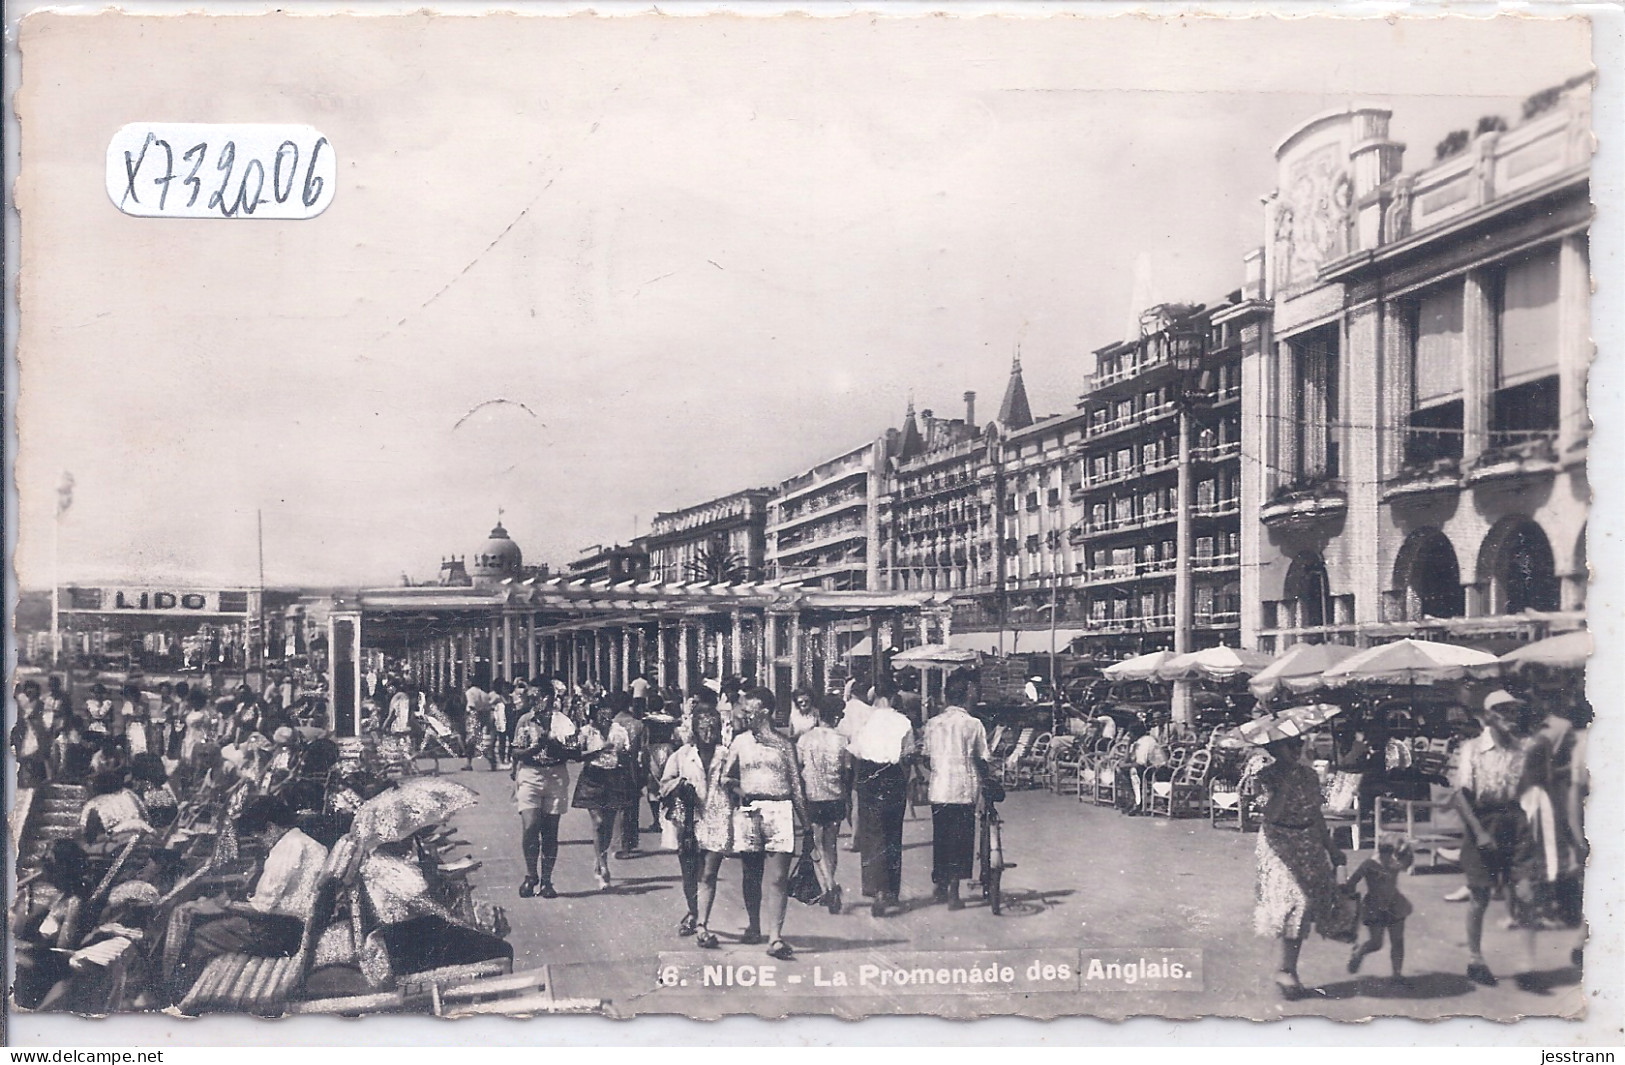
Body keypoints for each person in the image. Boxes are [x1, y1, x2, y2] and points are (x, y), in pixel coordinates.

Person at [171, 795, 329, 1000]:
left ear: (271, 828)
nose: (261, 844)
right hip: (297, 928)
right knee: (214, 919)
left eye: (258, 837)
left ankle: (182, 998)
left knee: (199, 934)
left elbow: (262, 908)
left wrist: (226, 904)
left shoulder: (285, 849)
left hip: (278, 934)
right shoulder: (313, 845)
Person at [1449, 689, 1549, 988]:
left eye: (1515, 712)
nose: (1512, 718)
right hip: (1483, 819)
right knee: (1480, 896)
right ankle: (1475, 959)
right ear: (1490, 716)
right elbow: (1459, 796)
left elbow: (1532, 789)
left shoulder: (1522, 749)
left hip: (1514, 821)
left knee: (1527, 892)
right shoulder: (1471, 749)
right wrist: (1479, 832)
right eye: (1504, 712)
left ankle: (1528, 965)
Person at [718, 687, 811, 960]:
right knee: (751, 873)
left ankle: (775, 937)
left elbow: (796, 787)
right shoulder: (739, 742)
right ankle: (754, 925)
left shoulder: (785, 745)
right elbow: (725, 778)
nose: (744, 715)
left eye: (750, 711)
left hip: (780, 810)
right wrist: (738, 790)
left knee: (779, 877)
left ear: (766, 713)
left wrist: (807, 826)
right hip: (749, 810)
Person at [1252, 733, 1347, 1000]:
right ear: (1274, 748)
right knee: (1297, 901)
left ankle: (1287, 966)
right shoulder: (1263, 776)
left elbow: (1315, 813)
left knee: (1311, 904)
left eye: (1299, 744)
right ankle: (1286, 971)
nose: (1297, 749)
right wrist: (1284, 785)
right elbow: (1270, 813)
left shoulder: (1309, 775)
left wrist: (1331, 848)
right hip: (1278, 843)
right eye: (1289, 745)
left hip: (1307, 840)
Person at [659, 704, 734, 941]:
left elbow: (736, 781)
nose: (709, 733)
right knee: (690, 874)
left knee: (709, 874)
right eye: (704, 728)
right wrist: (680, 784)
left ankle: (702, 925)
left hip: (718, 817)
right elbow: (663, 785)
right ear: (694, 730)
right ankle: (693, 913)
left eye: (713, 728)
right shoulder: (680, 756)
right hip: (688, 821)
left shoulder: (727, 755)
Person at [920, 670, 991, 910]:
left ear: (946, 697)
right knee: (961, 840)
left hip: (939, 789)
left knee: (941, 838)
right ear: (966, 697)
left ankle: (939, 884)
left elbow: (926, 757)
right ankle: (953, 891)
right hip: (964, 789)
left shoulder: (932, 724)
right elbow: (982, 759)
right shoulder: (974, 724)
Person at [847, 681, 917, 917]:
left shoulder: (865, 721)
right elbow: (908, 755)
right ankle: (891, 891)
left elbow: (854, 752)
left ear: (875, 696)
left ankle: (876, 891)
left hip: (869, 776)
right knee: (893, 834)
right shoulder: (904, 722)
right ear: (894, 696)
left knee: (872, 836)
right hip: (893, 777)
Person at [511, 693, 578, 899]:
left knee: (550, 832)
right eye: (535, 699)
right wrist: (536, 747)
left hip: (555, 776)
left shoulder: (565, 723)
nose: (540, 704)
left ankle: (547, 880)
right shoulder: (525, 721)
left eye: (543, 699)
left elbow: (575, 753)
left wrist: (555, 745)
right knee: (530, 826)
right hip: (531, 775)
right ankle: (531, 875)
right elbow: (516, 752)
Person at [572, 699, 639, 888]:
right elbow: (578, 756)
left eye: (607, 714)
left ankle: (600, 859)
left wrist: (622, 754)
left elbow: (627, 753)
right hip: (592, 778)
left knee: (609, 824)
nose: (605, 718)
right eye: (601, 714)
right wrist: (600, 750)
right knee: (598, 823)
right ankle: (603, 866)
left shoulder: (619, 731)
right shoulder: (586, 732)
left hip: (613, 778)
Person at [796, 694, 851, 914]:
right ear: (836, 717)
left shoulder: (805, 740)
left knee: (816, 846)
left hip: (813, 797)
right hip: (835, 797)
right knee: (831, 844)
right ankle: (830, 883)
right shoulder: (843, 740)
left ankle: (828, 886)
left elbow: (799, 768)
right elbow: (847, 770)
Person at [1345, 834, 1415, 981]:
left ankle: (1397, 974)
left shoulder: (1394, 863)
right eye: (1388, 854)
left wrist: (1407, 851)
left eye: (1395, 856)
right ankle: (1359, 952)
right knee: (1376, 943)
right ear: (1381, 851)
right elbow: (1352, 881)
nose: (1391, 860)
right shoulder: (1369, 864)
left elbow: (1406, 864)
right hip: (1374, 907)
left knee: (1398, 940)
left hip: (1394, 905)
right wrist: (1348, 894)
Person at [611, 692, 651, 859]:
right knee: (631, 804)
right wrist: (645, 772)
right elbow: (644, 752)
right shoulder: (639, 725)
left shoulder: (611, 724)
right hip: (632, 767)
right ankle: (628, 842)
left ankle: (619, 843)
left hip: (612, 767)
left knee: (617, 806)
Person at [80, 770, 153, 848]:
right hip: (143, 835)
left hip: (118, 842)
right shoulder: (129, 794)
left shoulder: (94, 803)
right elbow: (147, 818)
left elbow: (90, 835)